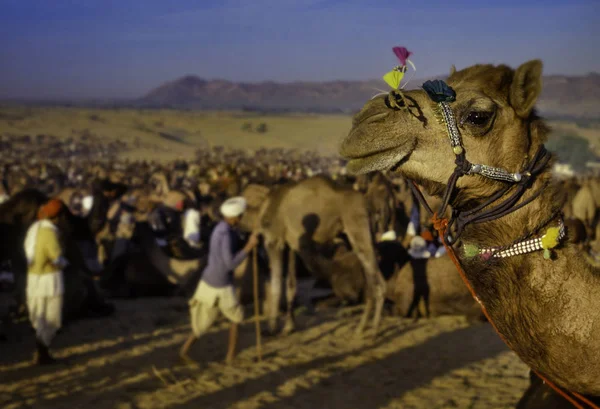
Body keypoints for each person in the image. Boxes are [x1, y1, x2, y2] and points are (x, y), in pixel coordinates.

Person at [179, 196, 259, 365]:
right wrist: (248, 247)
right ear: (235, 217)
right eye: (241, 216)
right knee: (236, 318)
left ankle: (185, 350)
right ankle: (230, 356)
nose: (242, 218)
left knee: (203, 322)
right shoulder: (226, 234)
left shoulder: (221, 228)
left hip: (208, 280)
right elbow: (230, 264)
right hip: (221, 284)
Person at [24, 198, 68, 365]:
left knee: (39, 316)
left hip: (33, 278)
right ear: (57, 217)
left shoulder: (34, 228)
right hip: (49, 280)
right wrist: (65, 264)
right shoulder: (50, 233)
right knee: (51, 318)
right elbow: (56, 257)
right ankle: (42, 352)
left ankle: (41, 351)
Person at [405, 236, 431, 320]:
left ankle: (409, 315)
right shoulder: (425, 260)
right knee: (425, 301)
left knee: (415, 300)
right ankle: (426, 315)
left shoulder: (412, 262)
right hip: (425, 284)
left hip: (417, 284)